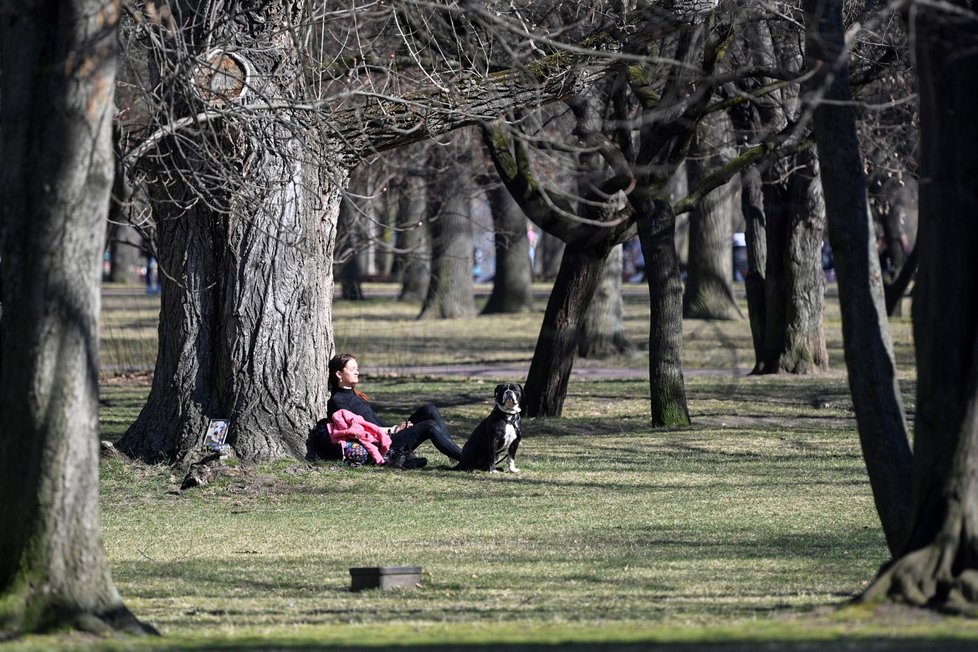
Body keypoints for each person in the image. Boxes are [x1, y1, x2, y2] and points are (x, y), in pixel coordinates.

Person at [326, 353, 463, 469]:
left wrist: (397, 428)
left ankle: (453, 453)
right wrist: (392, 430)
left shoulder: (355, 395)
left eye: (357, 368)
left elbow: (374, 422)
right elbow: (358, 431)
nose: (357, 372)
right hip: (383, 446)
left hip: (388, 435)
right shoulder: (338, 401)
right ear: (339, 374)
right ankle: (467, 459)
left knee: (429, 409)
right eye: (352, 369)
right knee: (429, 426)